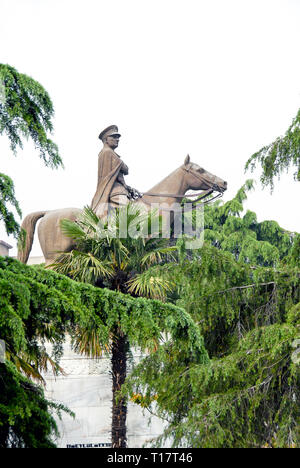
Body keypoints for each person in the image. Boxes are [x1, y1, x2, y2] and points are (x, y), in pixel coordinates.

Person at [91, 125, 141, 216]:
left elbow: (117, 175)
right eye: (114, 137)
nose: (117, 139)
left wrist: (128, 187)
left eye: (118, 137)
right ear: (106, 139)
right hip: (115, 192)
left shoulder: (107, 153)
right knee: (132, 213)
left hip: (118, 190)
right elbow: (126, 170)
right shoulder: (108, 152)